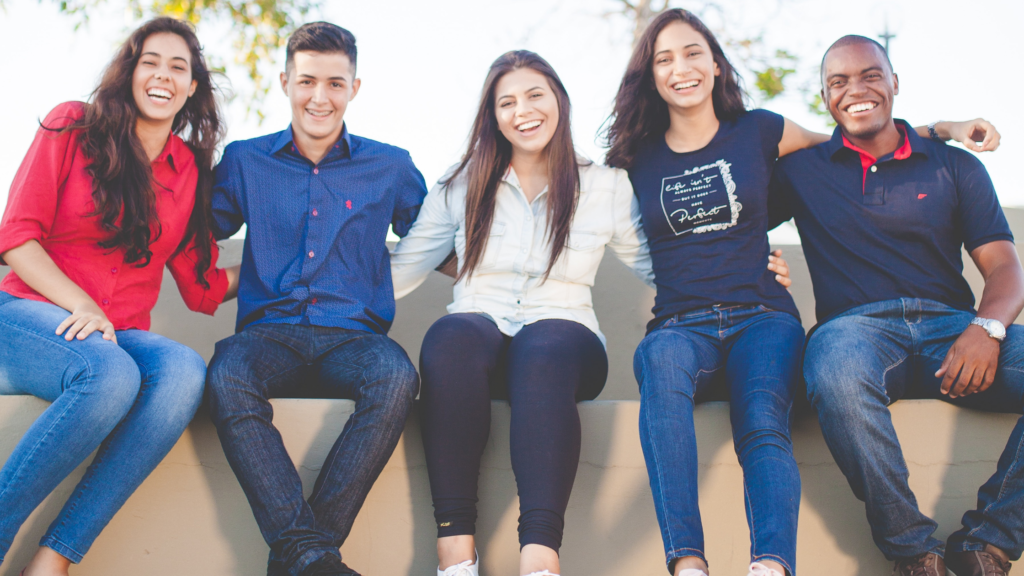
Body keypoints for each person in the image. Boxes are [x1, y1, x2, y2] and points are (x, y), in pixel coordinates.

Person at [603, 9, 997, 576]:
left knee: (763, 420)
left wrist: (944, 129)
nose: (681, 68)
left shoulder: (762, 129)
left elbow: (855, 139)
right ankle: (687, 562)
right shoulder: (634, 157)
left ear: (715, 64)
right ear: (650, 74)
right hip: (678, 322)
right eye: (664, 58)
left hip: (763, 315)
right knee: (658, 374)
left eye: (693, 53)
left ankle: (771, 565)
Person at [770, 35, 1022, 576]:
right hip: (855, 333)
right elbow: (726, 190)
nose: (855, 90)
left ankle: (989, 544)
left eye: (869, 75)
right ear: (824, 97)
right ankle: (914, 554)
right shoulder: (802, 170)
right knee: (832, 371)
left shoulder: (953, 165)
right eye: (838, 82)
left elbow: (1004, 268)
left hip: (954, 331)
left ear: (894, 84)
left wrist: (987, 328)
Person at [0, 18, 237, 576]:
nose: (163, 75)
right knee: (110, 375)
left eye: (179, 67)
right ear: (130, 72)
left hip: (115, 333)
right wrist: (80, 303)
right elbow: (16, 236)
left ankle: (54, 558)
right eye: (150, 61)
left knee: (181, 370)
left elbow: (200, 285)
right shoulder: (72, 126)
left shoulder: (188, 170)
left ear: (193, 87)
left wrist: (291, 268)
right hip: (27, 313)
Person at [204, 22, 426, 576]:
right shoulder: (245, 160)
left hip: (354, 339)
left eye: (334, 82)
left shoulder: (392, 165)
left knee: (396, 376)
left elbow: (441, 239)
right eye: (307, 81)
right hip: (268, 336)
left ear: (355, 87)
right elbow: (190, 233)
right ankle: (316, 558)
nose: (319, 97)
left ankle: (303, 558)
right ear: (285, 81)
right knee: (227, 373)